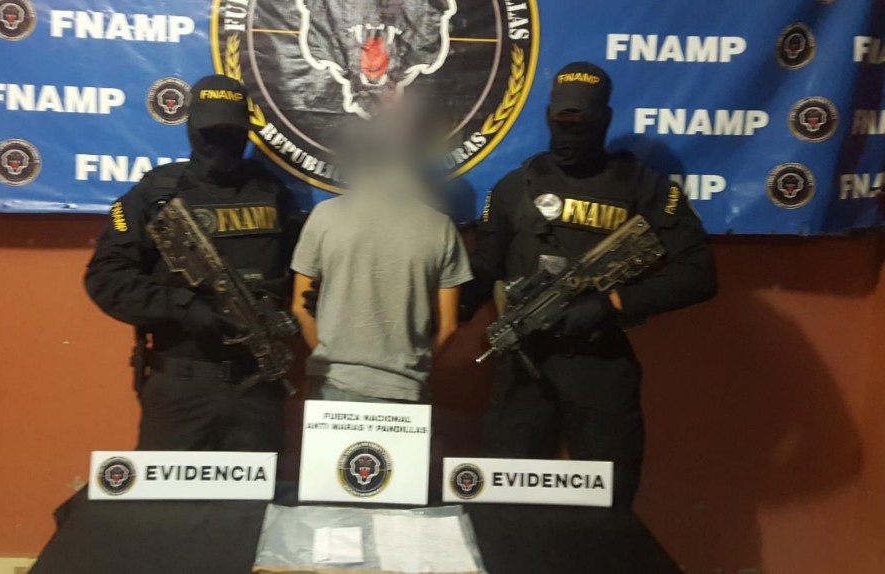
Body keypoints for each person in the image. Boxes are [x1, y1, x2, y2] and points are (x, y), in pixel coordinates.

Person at [471, 61, 717, 506]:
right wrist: (432, 313)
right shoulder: (515, 187)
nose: (569, 133)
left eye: (581, 123)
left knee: (608, 500)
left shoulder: (643, 186)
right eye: (561, 122)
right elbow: (484, 267)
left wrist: (614, 304)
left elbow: (699, 273)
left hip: (598, 362)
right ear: (548, 116)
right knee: (501, 497)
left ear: (604, 119)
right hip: (524, 362)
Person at [84, 75, 300, 452]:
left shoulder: (271, 193)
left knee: (257, 491)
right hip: (183, 382)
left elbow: (299, 270)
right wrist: (181, 307)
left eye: (232, 133)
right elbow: (106, 278)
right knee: (165, 489)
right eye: (212, 133)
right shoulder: (156, 195)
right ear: (191, 128)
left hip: (257, 382)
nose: (222, 144)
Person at [290, 115, 473, 404]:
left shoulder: (324, 216)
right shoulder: (441, 227)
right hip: (405, 388)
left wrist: (329, 360)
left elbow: (299, 309)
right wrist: (413, 369)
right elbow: (449, 326)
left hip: (331, 385)